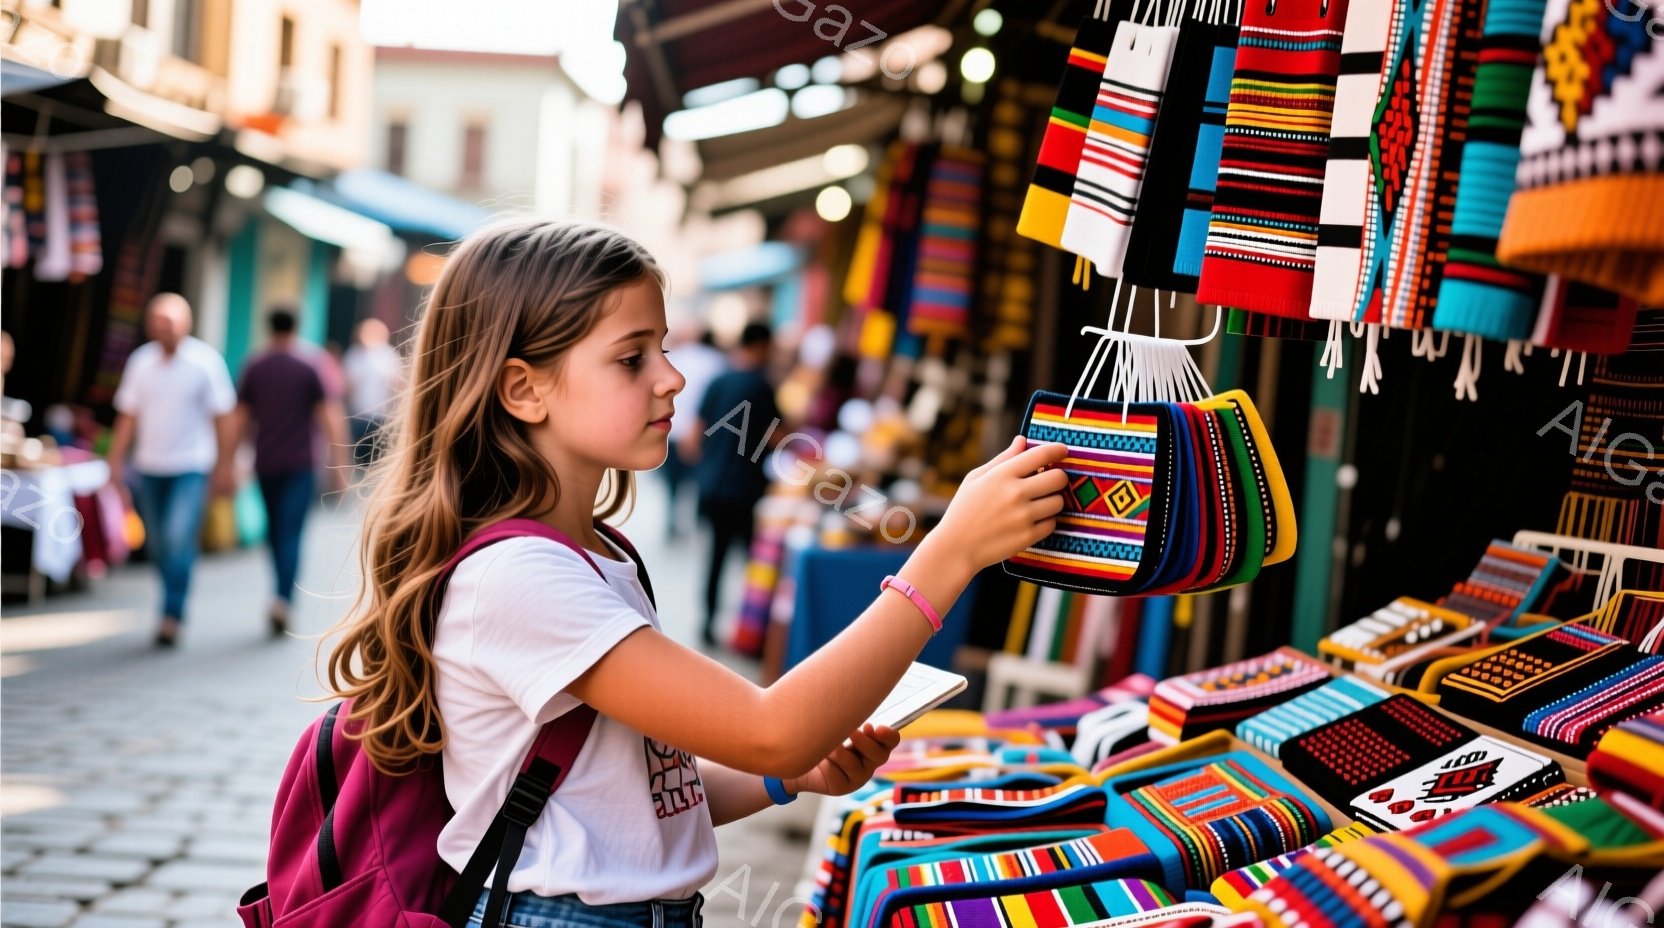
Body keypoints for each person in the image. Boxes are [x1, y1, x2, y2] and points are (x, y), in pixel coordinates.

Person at [322, 220, 1068, 928]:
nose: (673, 378)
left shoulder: (597, 555)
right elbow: (770, 730)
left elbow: (633, 807)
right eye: (632, 357)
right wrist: (949, 554)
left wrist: (790, 779)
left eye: (665, 349)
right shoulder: (520, 576)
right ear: (524, 389)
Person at [106, 293, 238, 647]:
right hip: (149, 466)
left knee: (178, 535)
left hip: (191, 466)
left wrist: (227, 465)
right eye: (159, 322)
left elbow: (223, 417)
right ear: (150, 325)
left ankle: (171, 613)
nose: (165, 329)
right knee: (159, 544)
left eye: (172, 322)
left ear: (187, 324)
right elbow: (128, 416)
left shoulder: (205, 362)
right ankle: (171, 599)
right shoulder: (141, 362)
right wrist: (115, 461)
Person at [235, 308, 351, 637]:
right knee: (291, 533)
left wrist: (229, 462)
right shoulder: (311, 364)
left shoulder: (255, 365)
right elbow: (331, 417)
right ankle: (283, 598)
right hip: (301, 464)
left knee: (275, 532)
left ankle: (280, 595)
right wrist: (340, 467)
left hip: (266, 463)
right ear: (297, 326)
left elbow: (240, 417)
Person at [682, 322, 782, 647]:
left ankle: (708, 624)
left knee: (716, 557)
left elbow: (692, 438)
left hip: (713, 487)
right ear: (762, 346)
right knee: (754, 562)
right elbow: (777, 439)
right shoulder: (761, 387)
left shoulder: (718, 381)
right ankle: (750, 630)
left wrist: (710, 466)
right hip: (746, 489)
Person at [660, 326, 723, 539]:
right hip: (703, 432)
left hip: (673, 430)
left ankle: (673, 519)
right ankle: (697, 518)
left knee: (673, 482)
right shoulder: (716, 361)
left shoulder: (675, 359)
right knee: (699, 479)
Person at [341, 317, 403, 467]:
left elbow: (397, 385)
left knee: (376, 459)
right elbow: (347, 386)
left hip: (380, 416)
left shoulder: (389, 356)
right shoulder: (354, 355)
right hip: (358, 415)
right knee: (356, 458)